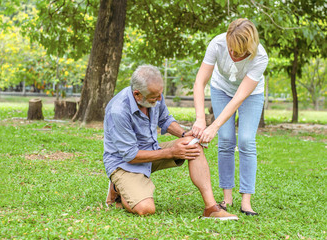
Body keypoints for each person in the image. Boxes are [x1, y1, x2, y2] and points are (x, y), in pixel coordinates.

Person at [103, 64, 238, 220]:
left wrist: (183, 134)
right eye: (154, 97)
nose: (160, 99)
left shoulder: (154, 94)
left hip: (150, 150)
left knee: (191, 145)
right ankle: (118, 187)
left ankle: (211, 208)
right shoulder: (118, 110)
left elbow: (165, 119)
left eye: (161, 94)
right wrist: (171, 152)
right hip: (124, 163)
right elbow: (130, 155)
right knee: (146, 209)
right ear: (137, 94)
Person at [192, 18, 268, 216]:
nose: (232, 54)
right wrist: (201, 118)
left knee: (246, 140)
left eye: (238, 52)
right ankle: (226, 198)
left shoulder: (260, 57)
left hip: (250, 94)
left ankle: (246, 202)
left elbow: (238, 99)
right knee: (225, 139)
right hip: (220, 89)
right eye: (230, 48)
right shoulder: (217, 44)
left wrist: (213, 126)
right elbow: (200, 81)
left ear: (249, 48)